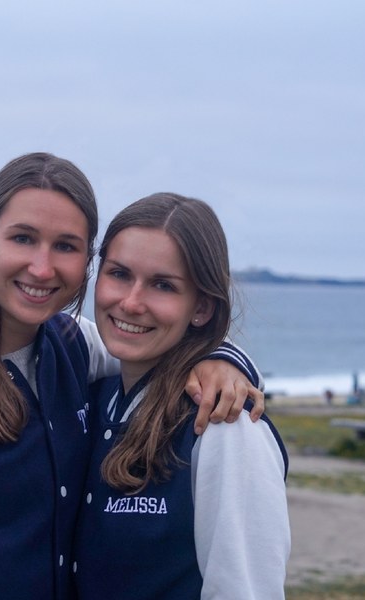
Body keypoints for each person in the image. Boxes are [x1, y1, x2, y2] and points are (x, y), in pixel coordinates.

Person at [0, 154, 265, 599]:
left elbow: (154, 350)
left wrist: (224, 360)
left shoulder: (72, 347)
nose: (41, 267)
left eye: (66, 246)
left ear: (86, 260)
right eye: (22, 238)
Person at [74, 193, 290, 599]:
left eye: (163, 285)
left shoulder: (224, 426)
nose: (131, 302)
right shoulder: (92, 394)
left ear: (202, 308)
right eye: (119, 274)